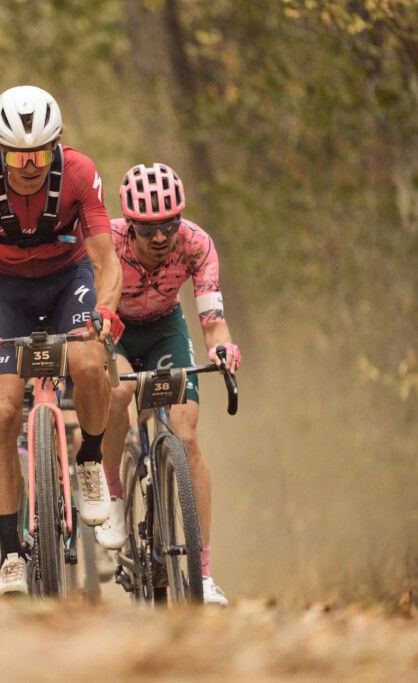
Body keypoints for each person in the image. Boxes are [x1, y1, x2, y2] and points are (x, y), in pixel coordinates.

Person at [0, 85, 123, 596]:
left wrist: (106, 311)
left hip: (69, 281)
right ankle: (13, 556)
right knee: (1, 409)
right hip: (7, 290)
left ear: (56, 146)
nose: (29, 166)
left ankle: (89, 460)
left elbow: (107, 260)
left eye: (40, 155)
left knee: (89, 365)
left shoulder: (80, 172)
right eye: (17, 156)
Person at [96, 163, 241, 606]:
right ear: (130, 225)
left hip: (165, 328)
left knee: (188, 436)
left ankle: (204, 575)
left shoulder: (196, 244)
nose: (160, 237)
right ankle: (112, 490)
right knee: (120, 391)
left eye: (169, 226)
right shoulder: (107, 242)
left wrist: (223, 349)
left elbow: (212, 321)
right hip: (116, 331)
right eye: (148, 229)